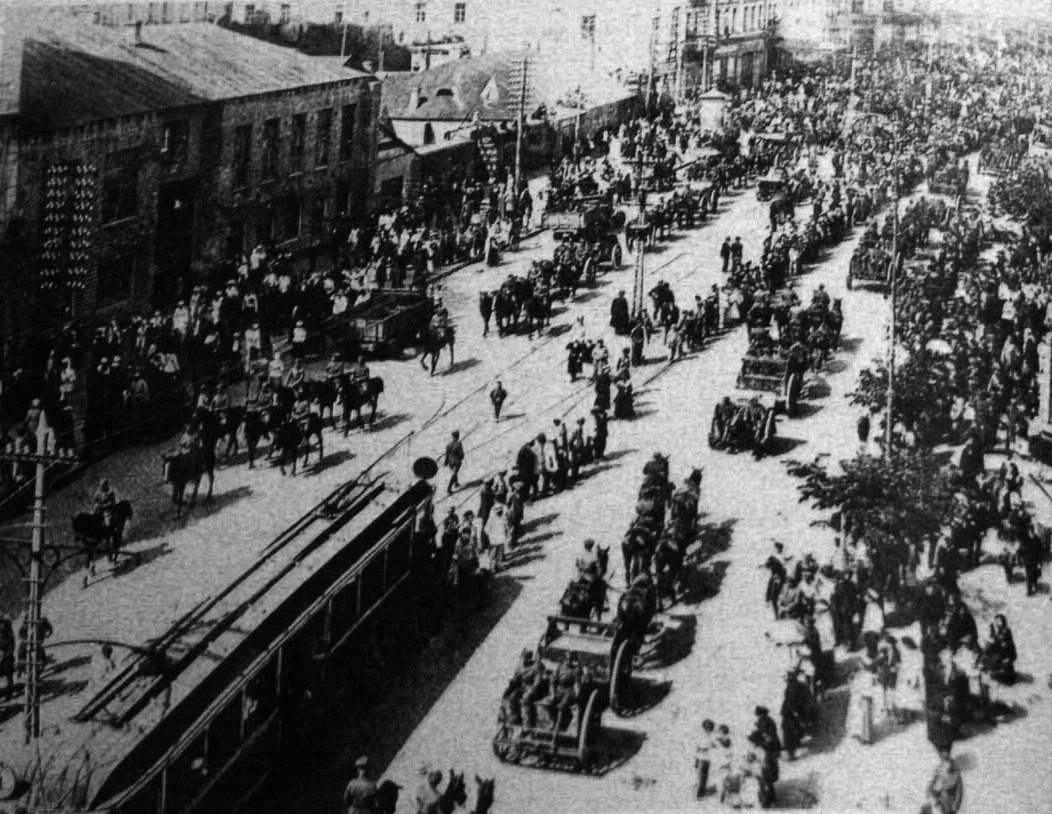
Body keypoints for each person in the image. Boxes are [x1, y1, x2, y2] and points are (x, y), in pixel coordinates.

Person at [923, 750, 963, 814]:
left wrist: (955, 804)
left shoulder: (955, 771)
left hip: (947, 799)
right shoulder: (941, 768)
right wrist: (930, 789)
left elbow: (959, 790)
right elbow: (934, 778)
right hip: (943, 797)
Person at [695, 718, 717, 798]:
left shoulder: (704, 735)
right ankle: (700, 793)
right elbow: (704, 746)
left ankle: (700, 788)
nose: (710, 731)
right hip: (705, 758)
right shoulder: (706, 737)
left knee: (701, 773)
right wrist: (711, 746)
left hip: (700, 757)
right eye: (709, 729)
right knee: (704, 775)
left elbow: (698, 747)